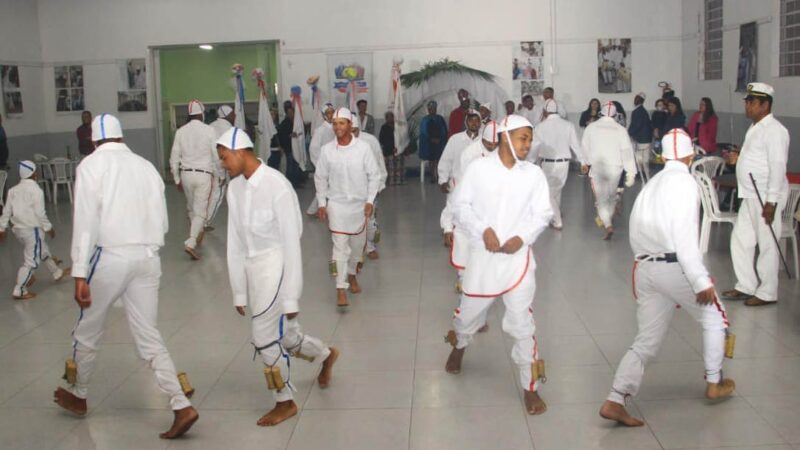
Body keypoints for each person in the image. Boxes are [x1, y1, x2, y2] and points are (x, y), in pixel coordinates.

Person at [54, 114, 199, 439]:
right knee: (148, 333)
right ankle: (180, 404)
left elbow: (85, 224)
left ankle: (78, 393)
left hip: (111, 258)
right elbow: (163, 221)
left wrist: (79, 272)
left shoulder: (90, 167)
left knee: (86, 329)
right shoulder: (145, 166)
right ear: (121, 137)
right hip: (148, 258)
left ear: (93, 141)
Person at [599, 129, 735, 427]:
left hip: (645, 270)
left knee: (646, 340)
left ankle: (616, 398)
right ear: (689, 155)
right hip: (675, 267)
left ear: (663, 156)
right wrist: (701, 282)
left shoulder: (653, 184)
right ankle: (714, 382)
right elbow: (685, 239)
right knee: (715, 319)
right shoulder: (685, 182)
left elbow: (636, 230)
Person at [217, 127, 339, 427]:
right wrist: (238, 291)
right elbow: (234, 242)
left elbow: (290, 244)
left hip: (277, 266)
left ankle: (284, 401)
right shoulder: (234, 189)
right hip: (252, 269)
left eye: (224, 158)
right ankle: (324, 355)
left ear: (241, 151)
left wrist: (290, 295)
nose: (223, 164)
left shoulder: (276, 185)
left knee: (263, 336)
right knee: (285, 336)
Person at [445, 114, 553, 416]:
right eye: (523, 138)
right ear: (505, 136)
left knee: (522, 326)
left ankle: (530, 387)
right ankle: (459, 345)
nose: (528, 145)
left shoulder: (533, 174)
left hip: (517, 263)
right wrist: (483, 230)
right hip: (482, 261)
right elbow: (459, 205)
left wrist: (522, 237)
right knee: (468, 315)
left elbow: (542, 213)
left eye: (530, 139)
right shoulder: (478, 169)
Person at [723, 83, 790, 306]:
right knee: (741, 240)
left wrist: (771, 202)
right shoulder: (755, 128)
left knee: (767, 244)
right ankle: (746, 285)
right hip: (751, 194)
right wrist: (738, 159)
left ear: (765, 104)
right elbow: (757, 160)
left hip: (765, 196)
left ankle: (767, 292)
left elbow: (777, 167)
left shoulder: (775, 131)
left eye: (751, 102)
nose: (747, 105)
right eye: (747, 101)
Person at [315, 109, 381, 308]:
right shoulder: (327, 150)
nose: (337, 127)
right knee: (339, 247)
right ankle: (340, 287)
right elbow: (320, 177)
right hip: (336, 206)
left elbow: (374, 175)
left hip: (359, 207)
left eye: (341, 123)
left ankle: (352, 274)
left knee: (356, 248)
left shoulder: (363, 148)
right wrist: (321, 203)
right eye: (335, 124)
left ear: (351, 125)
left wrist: (370, 200)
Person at [0, 160, 70, 299]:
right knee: (31, 261)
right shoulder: (36, 190)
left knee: (42, 250)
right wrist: (49, 228)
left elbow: (6, 211)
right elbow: (40, 213)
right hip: (32, 229)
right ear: (33, 174)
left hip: (19, 231)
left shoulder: (13, 190)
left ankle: (56, 272)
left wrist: (2, 228)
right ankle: (20, 289)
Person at [169, 100, 220, 260]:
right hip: (204, 174)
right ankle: (191, 242)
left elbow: (173, 158)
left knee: (191, 208)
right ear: (201, 114)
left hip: (186, 175)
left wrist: (176, 179)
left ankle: (196, 234)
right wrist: (219, 174)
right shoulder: (209, 130)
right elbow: (215, 155)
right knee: (201, 211)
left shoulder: (180, 131)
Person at [582, 101, 636, 240]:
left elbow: (585, 147)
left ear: (601, 113)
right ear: (615, 115)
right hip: (615, 168)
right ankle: (608, 217)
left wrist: (585, 163)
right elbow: (627, 152)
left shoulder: (591, 127)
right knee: (611, 196)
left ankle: (608, 225)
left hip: (598, 168)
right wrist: (631, 172)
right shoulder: (620, 129)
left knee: (600, 200)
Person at [531, 100, 589, 230]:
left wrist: (530, 162)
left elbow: (534, 147)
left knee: (548, 192)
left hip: (548, 164)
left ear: (545, 111)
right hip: (564, 164)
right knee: (556, 190)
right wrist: (583, 162)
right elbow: (576, 145)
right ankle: (555, 216)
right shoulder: (568, 125)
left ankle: (557, 221)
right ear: (557, 110)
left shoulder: (539, 127)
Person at [439, 109, 482, 256]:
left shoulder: (484, 141)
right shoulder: (455, 140)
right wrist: (443, 180)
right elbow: (445, 160)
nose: (474, 123)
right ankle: (449, 232)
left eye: (477, 120)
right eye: (471, 120)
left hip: (478, 188)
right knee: (452, 212)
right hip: (457, 184)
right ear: (466, 122)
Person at [352, 114, 387, 260]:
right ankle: (358, 248)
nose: (351, 134)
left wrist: (379, 186)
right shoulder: (341, 142)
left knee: (370, 221)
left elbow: (379, 162)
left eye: (354, 130)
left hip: (370, 188)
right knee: (355, 221)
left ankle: (370, 245)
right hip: (352, 190)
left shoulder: (370, 140)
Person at [206, 105, 235, 230]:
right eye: (233, 114)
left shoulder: (210, 126)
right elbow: (224, 152)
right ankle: (205, 222)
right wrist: (223, 173)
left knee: (207, 194)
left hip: (206, 165)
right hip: (220, 165)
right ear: (227, 115)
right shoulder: (228, 129)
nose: (235, 116)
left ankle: (199, 218)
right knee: (217, 195)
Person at [306, 103, 336, 215]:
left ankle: (316, 209)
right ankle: (314, 210)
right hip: (324, 164)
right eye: (328, 112)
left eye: (333, 111)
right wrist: (320, 164)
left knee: (327, 187)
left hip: (334, 163)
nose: (331, 114)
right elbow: (313, 149)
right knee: (324, 187)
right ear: (324, 116)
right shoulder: (320, 130)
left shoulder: (335, 127)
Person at [418, 101, 448, 184]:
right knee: (431, 159)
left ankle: (439, 175)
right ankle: (432, 176)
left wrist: (440, 139)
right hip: (429, 143)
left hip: (439, 142)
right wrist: (431, 139)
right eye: (430, 109)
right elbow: (423, 133)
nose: (432, 110)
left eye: (434, 108)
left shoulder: (440, 118)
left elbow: (444, 131)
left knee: (439, 158)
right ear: (428, 109)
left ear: (436, 109)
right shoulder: (425, 120)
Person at [276, 101, 305, 187]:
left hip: (296, 147)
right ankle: (290, 183)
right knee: (290, 166)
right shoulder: (285, 123)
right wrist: (289, 136)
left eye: (292, 112)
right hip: (289, 148)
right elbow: (280, 135)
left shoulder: (296, 122)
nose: (290, 114)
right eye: (289, 113)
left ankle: (296, 182)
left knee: (296, 164)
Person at [628, 93, 653, 181]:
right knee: (643, 158)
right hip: (645, 137)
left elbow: (636, 125)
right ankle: (643, 173)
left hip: (642, 138)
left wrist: (629, 133)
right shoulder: (642, 111)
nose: (635, 100)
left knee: (642, 158)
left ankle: (643, 173)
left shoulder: (638, 111)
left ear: (641, 100)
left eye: (637, 99)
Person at [379, 111, 405, 186]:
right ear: (386, 119)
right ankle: (391, 181)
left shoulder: (398, 127)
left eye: (392, 117)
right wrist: (391, 148)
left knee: (399, 166)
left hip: (399, 150)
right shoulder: (384, 127)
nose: (390, 118)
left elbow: (402, 138)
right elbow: (381, 140)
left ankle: (399, 180)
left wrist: (398, 147)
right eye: (388, 117)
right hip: (388, 151)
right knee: (390, 168)